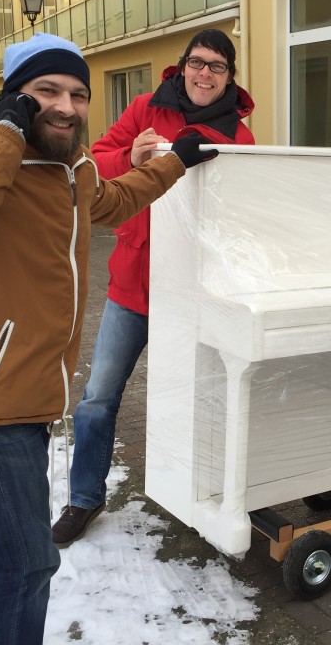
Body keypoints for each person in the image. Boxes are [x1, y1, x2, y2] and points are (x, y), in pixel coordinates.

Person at [0, 32, 216, 645]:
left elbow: (114, 203)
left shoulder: (72, 167)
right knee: (29, 558)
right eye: (46, 91)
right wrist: (6, 134)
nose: (66, 106)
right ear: (13, 95)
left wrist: (175, 162)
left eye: (78, 94)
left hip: (31, 393)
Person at [52, 28, 255, 546]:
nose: (205, 73)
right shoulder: (146, 107)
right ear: (182, 66)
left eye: (217, 66)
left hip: (195, 290)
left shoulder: (240, 135)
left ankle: (197, 491)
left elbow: (238, 211)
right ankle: (83, 499)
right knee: (97, 397)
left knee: (197, 397)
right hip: (135, 286)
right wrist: (133, 160)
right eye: (197, 62)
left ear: (229, 75)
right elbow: (95, 161)